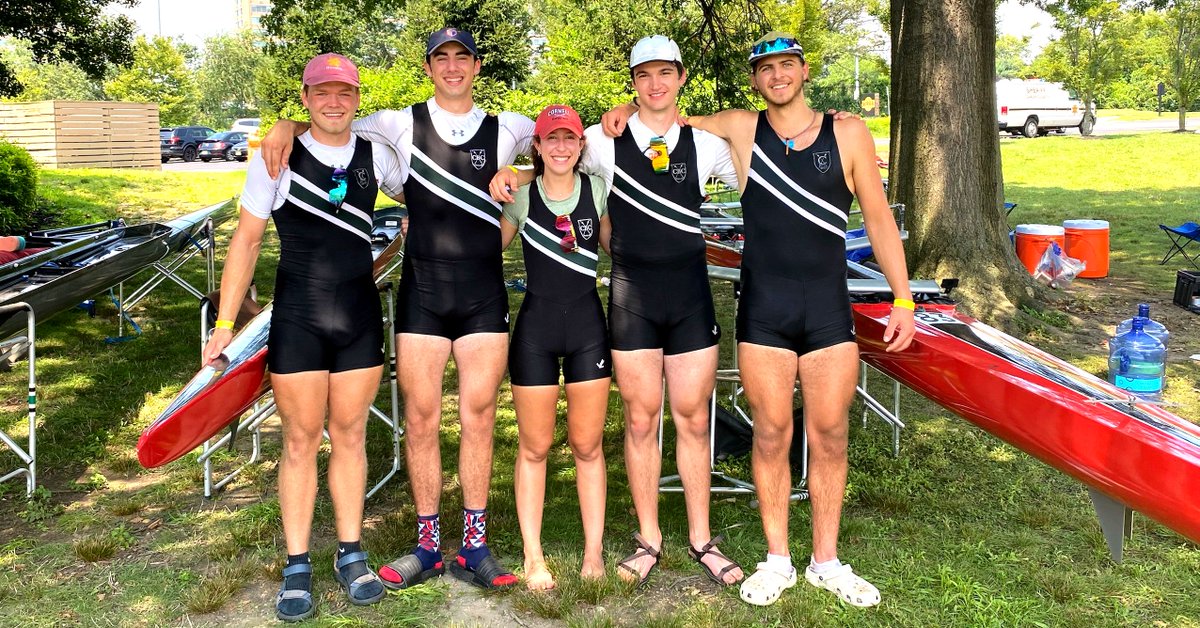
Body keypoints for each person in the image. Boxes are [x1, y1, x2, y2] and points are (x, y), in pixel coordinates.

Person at [259, 27, 533, 591]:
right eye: (442, 58)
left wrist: (519, 173)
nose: (453, 67)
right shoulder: (392, 124)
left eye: (463, 57)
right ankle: (429, 545)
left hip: (483, 295)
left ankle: (474, 547)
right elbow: (327, 127)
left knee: (480, 416)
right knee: (422, 418)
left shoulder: (510, 127)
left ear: (478, 66)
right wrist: (283, 124)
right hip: (423, 296)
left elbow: (575, 148)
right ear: (428, 67)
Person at [493, 35, 743, 588]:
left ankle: (701, 538)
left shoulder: (704, 145)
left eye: (665, 74)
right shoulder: (605, 143)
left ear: (680, 77)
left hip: (690, 298)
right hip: (632, 300)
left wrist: (827, 124)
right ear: (632, 82)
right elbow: (554, 164)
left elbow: (755, 146)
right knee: (638, 419)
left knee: (694, 418)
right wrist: (509, 179)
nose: (655, 85)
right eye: (643, 76)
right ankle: (648, 538)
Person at [683, 32, 916, 607]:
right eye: (766, 69)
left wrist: (903, 299)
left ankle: (827, 561)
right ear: (756, 79)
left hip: (827, 308)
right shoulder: (742, 128)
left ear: (805, 71)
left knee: (830, 434)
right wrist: (620, 112)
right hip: (764, 308)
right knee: (770, 433)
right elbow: (667, 117)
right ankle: (778, 559)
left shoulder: (848, 131)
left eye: (787, 65)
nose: (777, 76)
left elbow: (880, 221)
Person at [202, 53, 404, 622]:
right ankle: (296, 564)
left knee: (350, 435)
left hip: (359, 317)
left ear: (357, 98)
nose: (333, 102)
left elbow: (430, 193)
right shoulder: (277, 156)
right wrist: (223, 327)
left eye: (344, 92)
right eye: (322, 93)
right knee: (300, 439)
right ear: (306, 96)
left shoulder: (376, 156)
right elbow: (245, 241)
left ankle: (350, 553)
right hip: (298, 318)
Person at [501, 104, 612, 591]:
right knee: (535, 446)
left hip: (588, 327)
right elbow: (485, 248)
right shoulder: (522, 196)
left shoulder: (598, 190)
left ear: (580, 145)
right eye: (552, 139)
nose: (562, 146)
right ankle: (533, 554)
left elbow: (619, 245)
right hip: (536, 333)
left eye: (570, 138)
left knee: (588, 446)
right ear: (538, 147)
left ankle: (593, 553)